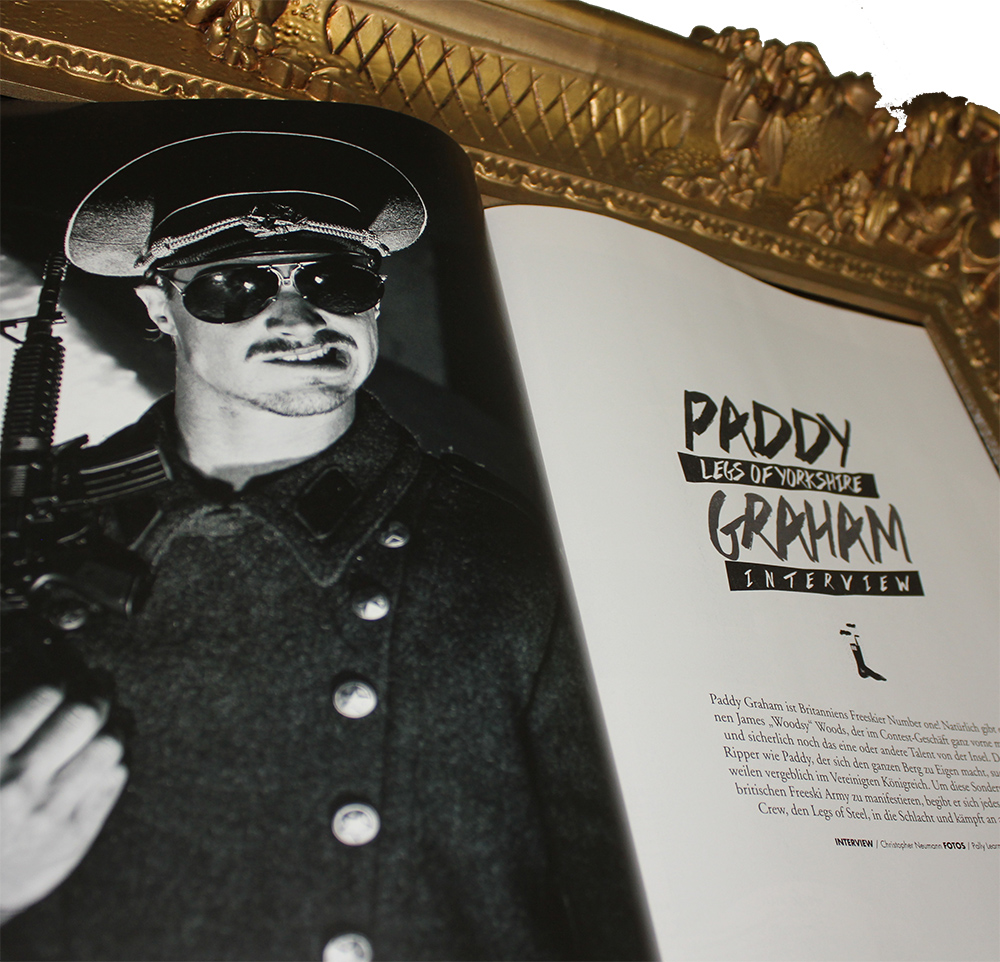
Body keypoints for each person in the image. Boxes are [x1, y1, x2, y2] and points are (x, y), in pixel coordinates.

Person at [0, 117, 654, 960]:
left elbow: (627, 901)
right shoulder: (29, 538)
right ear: (158, 308)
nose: (297, 317)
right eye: (233, 287)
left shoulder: (514, 553)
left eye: (334, 280)